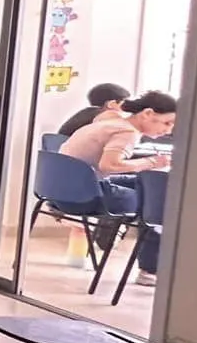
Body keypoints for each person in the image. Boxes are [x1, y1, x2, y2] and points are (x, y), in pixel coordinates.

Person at [61, 90, 178, 276]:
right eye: (167, 123)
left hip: (62, 190)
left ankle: (113, 229)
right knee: (157, 198)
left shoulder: (109, 122)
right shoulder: (127, 132)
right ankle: (149, 270)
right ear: (147, 113)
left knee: (142, 182)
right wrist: (153, 162)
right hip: (84, 196)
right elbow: (109, 165)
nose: (169, 130)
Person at [55, 81, 129, 141]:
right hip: (78, 156)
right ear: (111, 104)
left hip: (62, 156)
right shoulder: (103, 117)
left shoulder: (87, 112)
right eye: (124, 103)